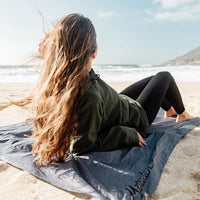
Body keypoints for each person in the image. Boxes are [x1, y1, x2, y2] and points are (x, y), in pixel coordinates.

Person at [0, 13, 194, 165]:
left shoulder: (67, 79)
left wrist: (51, 48)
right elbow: (82, 146)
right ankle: (182, 114)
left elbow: (64, 59)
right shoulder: (90, 97)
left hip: (115, 104)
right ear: (94, 52)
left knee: (154, 80)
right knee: (164, 76)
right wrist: (127, 134)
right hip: (137, 119)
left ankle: (169, 110)